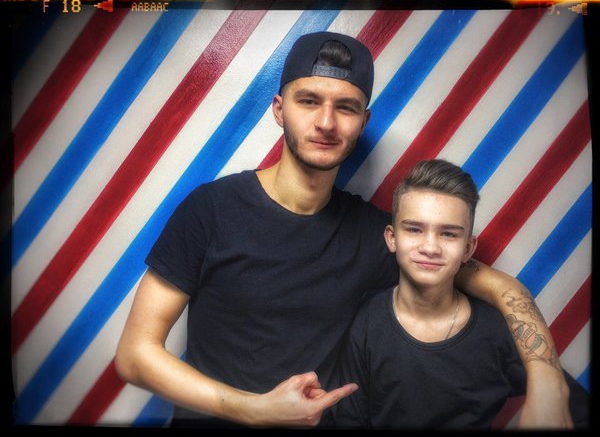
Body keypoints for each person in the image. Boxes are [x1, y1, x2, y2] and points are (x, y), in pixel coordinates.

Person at [115, 31, 573, 429]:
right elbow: (136, 355)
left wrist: (547, 380)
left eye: (346, 107)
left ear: (363, 122)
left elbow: (499, 287)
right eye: (308, 100)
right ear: (279, 109)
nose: (326, 122)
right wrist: (253, 410)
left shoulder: (377, 235)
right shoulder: (211, 209)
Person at [335, 159, 588, 430]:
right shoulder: (367, 321)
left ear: (468, 248)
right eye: (414, 229)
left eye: (448, 234)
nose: (430, 247)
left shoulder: (496, 331)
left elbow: (574, 406)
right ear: (392, 238)